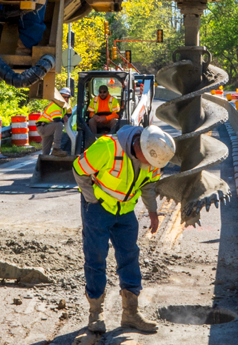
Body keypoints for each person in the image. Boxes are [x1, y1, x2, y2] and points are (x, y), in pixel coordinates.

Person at [73, 124, 176, 334]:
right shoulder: (107, 147)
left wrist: (153, 211)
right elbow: (78, 169)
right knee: (96, 258)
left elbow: (148, 185)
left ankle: (130, 314)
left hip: (126, 211)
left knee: (129, 257)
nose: (150, 166)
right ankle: (96, 314)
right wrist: (92, 200)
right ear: (140, 148)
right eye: (149, 160)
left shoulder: (154, 157)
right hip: (98, 209)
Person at [37, 88, 72, 157]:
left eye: (67, 97)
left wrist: (66, 115)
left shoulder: (64, 106)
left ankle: (45, 164)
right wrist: (63, 118)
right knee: (59, 124)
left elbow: (70, 112)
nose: (66, 99)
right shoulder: (55, 105)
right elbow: (57, 120)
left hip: (48, 127)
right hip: (44, 127)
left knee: (45, 154)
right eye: (64, 97)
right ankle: (56, 149)